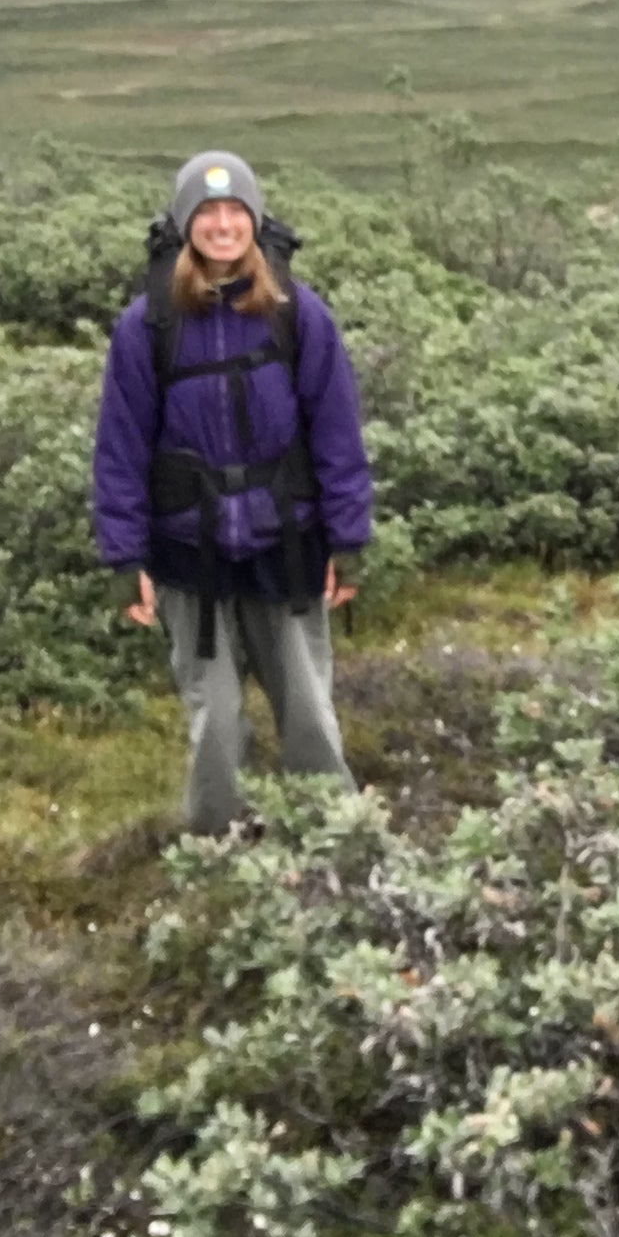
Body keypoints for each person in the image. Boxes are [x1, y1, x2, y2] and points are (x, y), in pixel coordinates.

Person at [92, 150, 374, 835]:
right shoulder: (146, 327)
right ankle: (217, 847)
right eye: (207, 213)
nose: (222, 226)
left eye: (235, 211)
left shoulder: (297, 314)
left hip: (289, 544)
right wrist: (125, 561)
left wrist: (350, 538)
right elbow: (120, 450)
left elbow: (337, 432)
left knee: (308, 711)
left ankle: (335, 839)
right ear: (186, 225)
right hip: (191, 554)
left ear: (254, 220)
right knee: (214, 720)